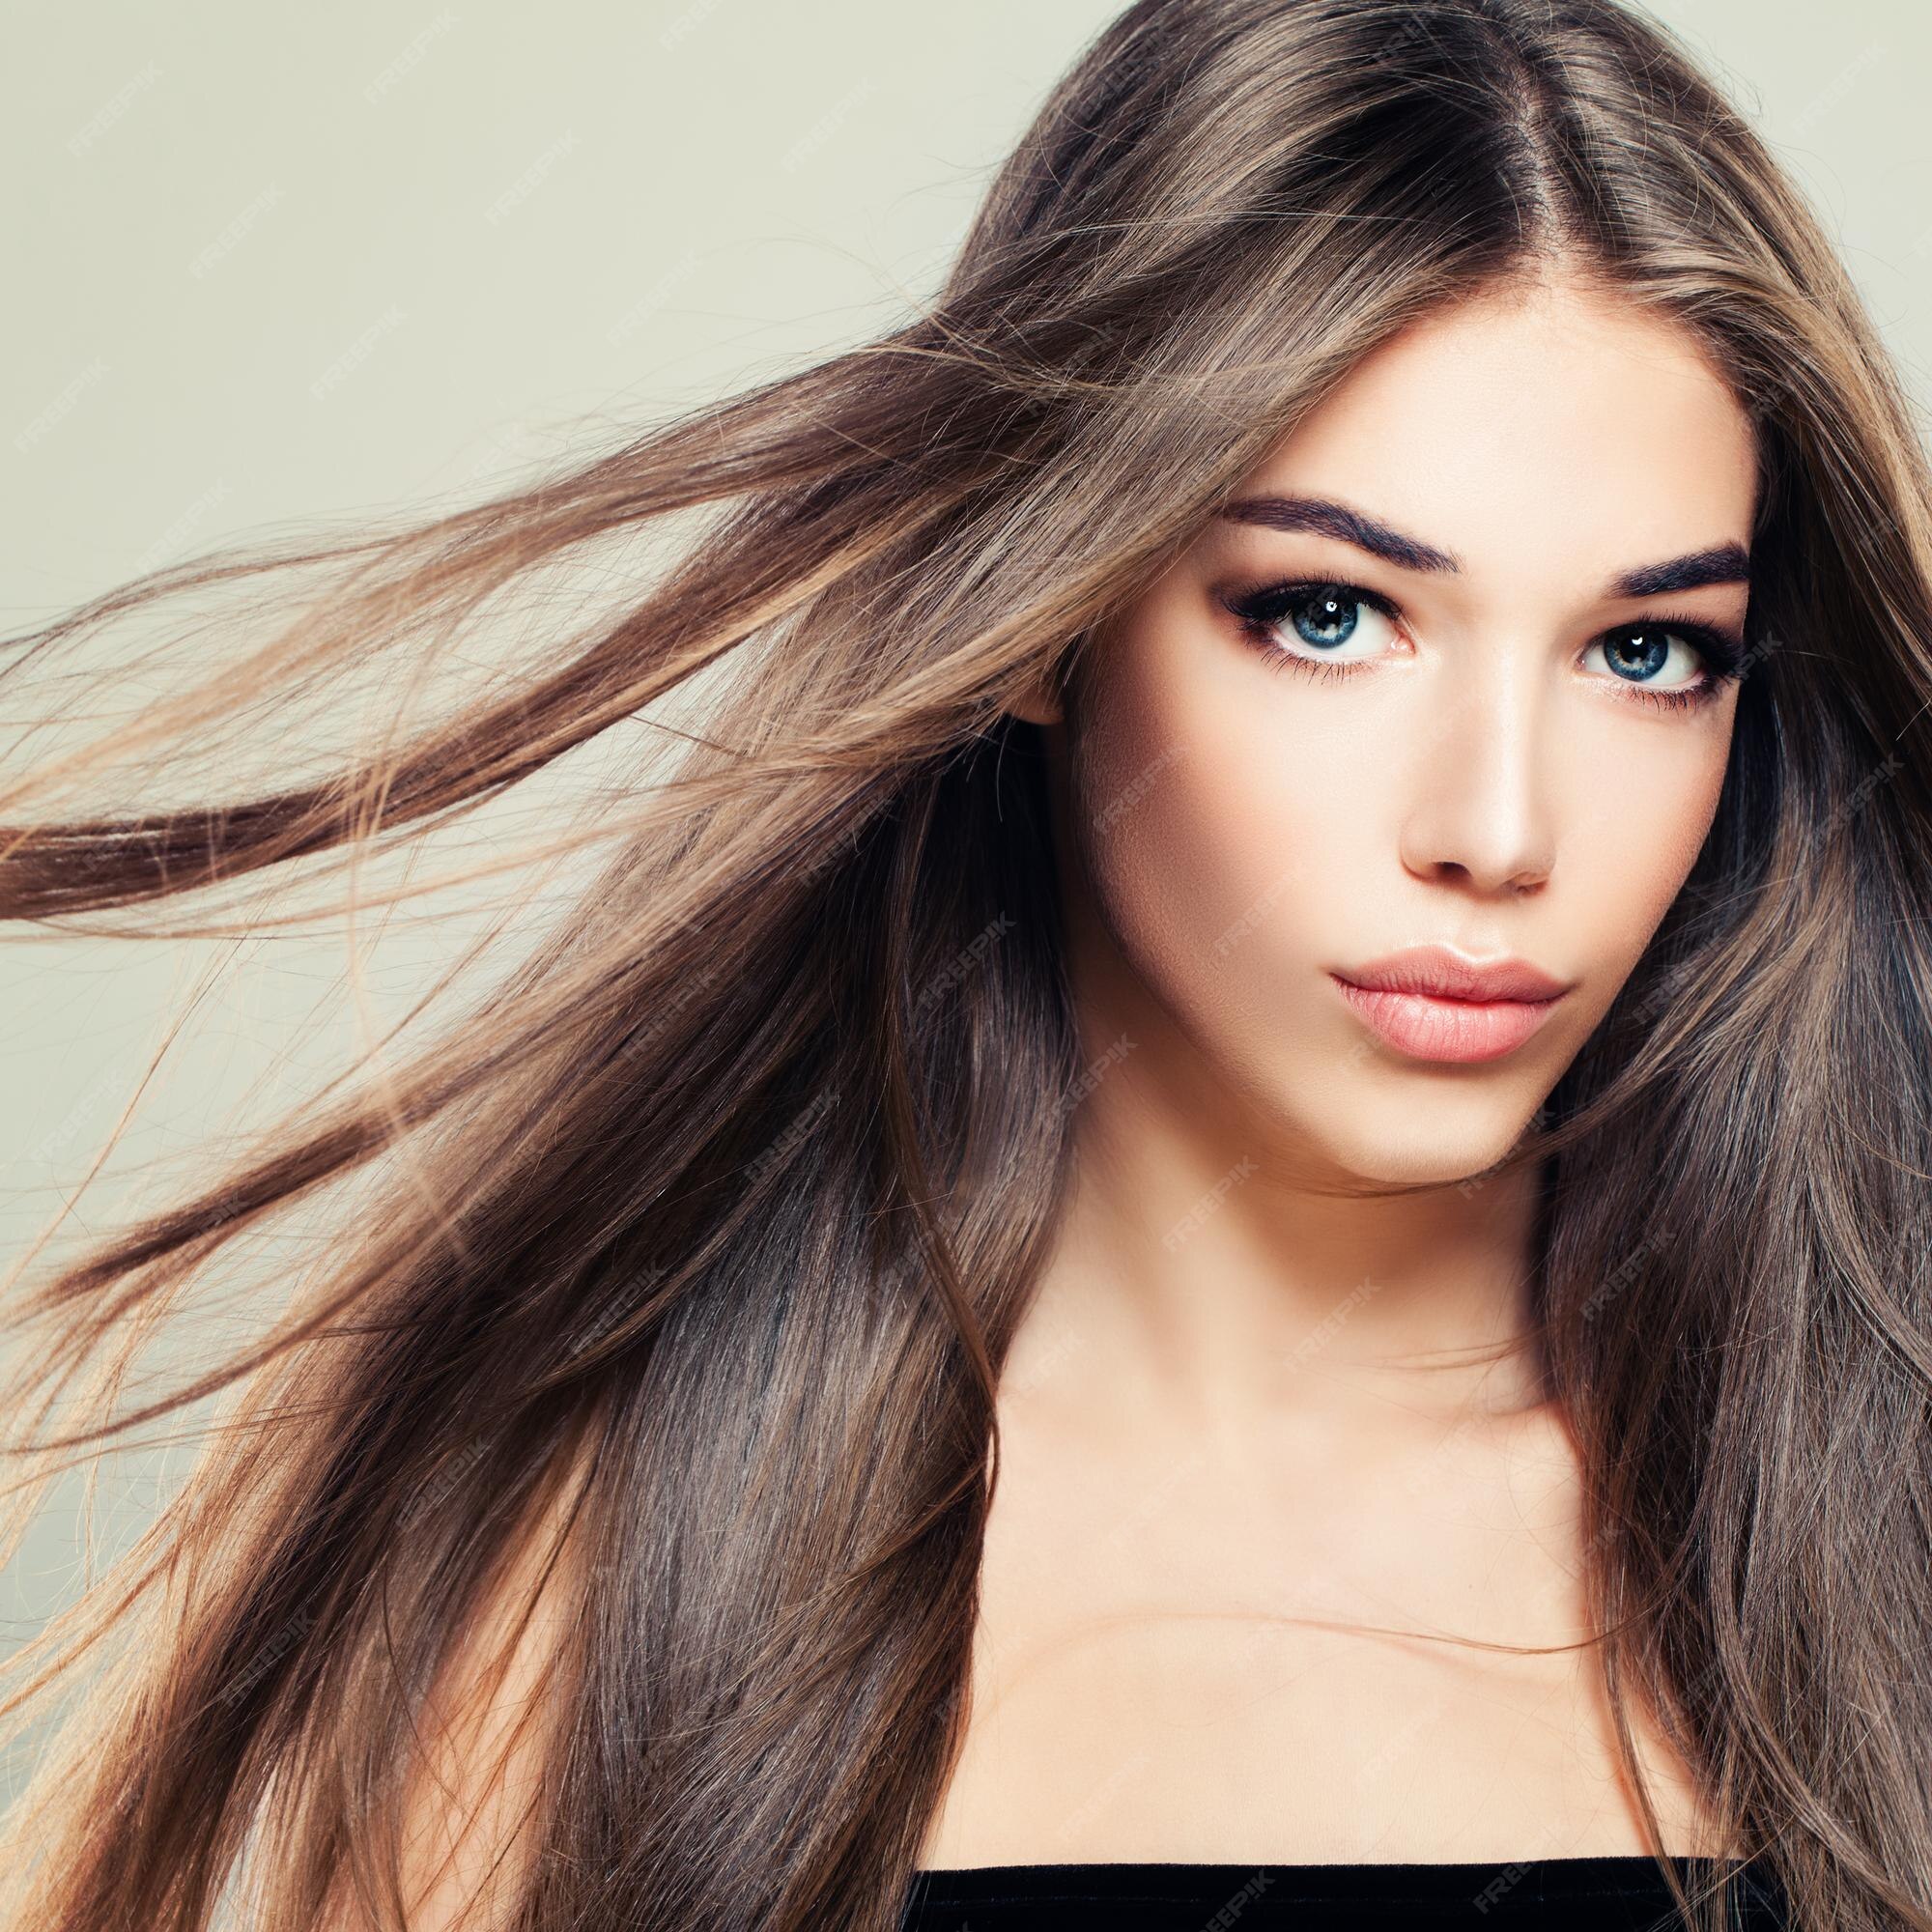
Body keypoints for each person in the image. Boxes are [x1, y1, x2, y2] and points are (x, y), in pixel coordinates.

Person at [2, 1, 1926, 1927]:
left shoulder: (1872, 1516)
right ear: (1044, 610)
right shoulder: (596, 1601)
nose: (1499, 830)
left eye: (1645, 651)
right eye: (1328, 613)